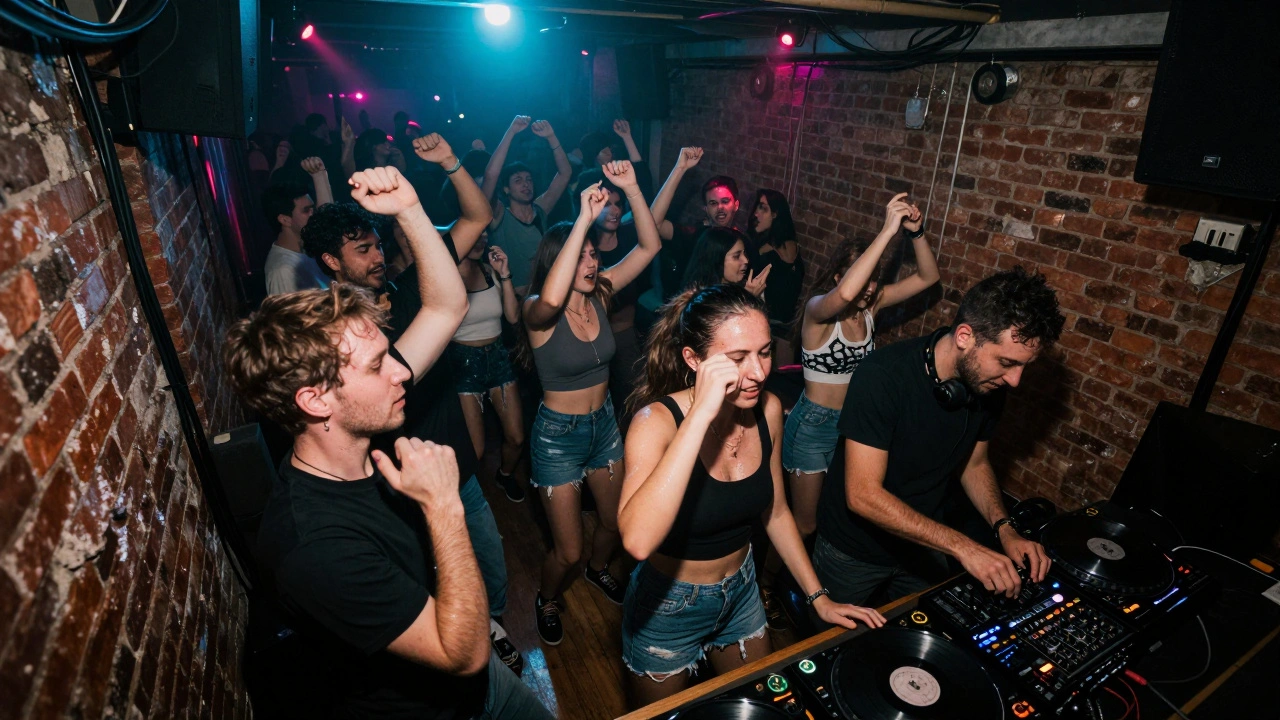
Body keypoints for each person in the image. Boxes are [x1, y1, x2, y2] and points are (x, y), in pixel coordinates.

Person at [223, 166, 552, 719]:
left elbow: (446, 308)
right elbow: (463, 652)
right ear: (315, 400)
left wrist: (409, 209)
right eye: (379, 366)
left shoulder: (358, 430)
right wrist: (444, 505)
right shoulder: (314, 544)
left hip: (485, 686)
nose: (401, 373)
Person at [301, 136, 524, 674]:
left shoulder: (406, 292)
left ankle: (493, 631)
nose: (379, 256)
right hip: (396, 489)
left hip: (455, 470)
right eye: (363, 250)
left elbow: (470, 233)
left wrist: (440, 173)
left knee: (489, 565)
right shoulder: (330, 338)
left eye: (379, 245)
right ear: (332, 262)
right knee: (435, 589)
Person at [616, 284, 886, 706]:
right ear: (694, 360)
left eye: (764, 352)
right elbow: (636, 540)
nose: (760, 372)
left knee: (760, 704)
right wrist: (702, 414)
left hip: (742, 592)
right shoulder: (656, 423)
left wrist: (820, 598)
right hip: (669, 606)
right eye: (738, 359)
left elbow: (776, 511)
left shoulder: (769, 409)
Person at [813, 266, 1065, 607]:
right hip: (854, 551)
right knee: (832, 646)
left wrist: (1005, 528)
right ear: (965, 336)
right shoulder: (884, 376)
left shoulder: (989, 384)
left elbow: (974, 464)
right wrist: (963, 547)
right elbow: (862, 495)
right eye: (1007, 362)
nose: (1015, 380)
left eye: (1023, 366)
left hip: (924, 547)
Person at [520, 162, 661, 645]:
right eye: (578, 257)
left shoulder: (600, 295)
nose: (592, 263)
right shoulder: (535, 311)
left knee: (615, 523)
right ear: (557, 262)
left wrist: (632, 188)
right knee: (567, 550)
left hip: (603, 427)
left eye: (592, 256)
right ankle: (548, 597)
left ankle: (600, 570)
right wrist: (581, 221)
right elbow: (551, 294)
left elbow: (649, 246)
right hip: (557, 438)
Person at [785, 192, 939, 542]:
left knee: (834, 514)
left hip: (854, 424)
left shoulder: (872, 307)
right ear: (840, 275)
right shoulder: (818, 311)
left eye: (874, 280)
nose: (870, 289)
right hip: (812, 425)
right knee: (804, 523)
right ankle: (768, 583)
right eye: (863, 278)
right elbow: (842, 296)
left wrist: (915, 233)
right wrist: (886, 232)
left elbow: (928, 278)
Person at [449, 233, 526, 503]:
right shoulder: (445, 275)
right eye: (474, 234)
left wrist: (504, 274)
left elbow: (513, 317)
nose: (479, 239)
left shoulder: (488, 270)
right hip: (463, 362)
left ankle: (504, 475)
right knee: (476, 450)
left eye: (484, 234)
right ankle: (470, 504)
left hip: (498, 357)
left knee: (516, 437)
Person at [482, 115, 572, 292]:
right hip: (513, 297)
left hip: (544, 292)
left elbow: (565, 173)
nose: (526, 184)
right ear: (506, 189)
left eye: (529, 179)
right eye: (518, 180)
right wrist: (511, 132)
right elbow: (491, 176)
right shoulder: (499, 214)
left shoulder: (541, 208)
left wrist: (551, 137)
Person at [649, 149, 752, 300]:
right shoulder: (694, 234)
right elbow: (653, 224)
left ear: (736, 205)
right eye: (713, 203)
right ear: (706, 209)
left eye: (725, 201)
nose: (720, 208)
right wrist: (680, 168)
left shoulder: (742, 242)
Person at [261, 157, 334, 296]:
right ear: (285, 220)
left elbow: (327, 219)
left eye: (313, 208)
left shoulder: (306, 246)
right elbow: (291, 317)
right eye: (306, 210)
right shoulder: (283, 270)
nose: (313, 214)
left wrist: (320, 175)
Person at [747, 189, 804, 363]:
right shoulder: (790, 246)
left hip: (777, 327)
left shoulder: (769, 250)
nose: (756, 213)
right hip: (774, 326)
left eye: (763, 208)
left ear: (775, 214)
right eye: (757, 208)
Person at [681, 227, 770, 297]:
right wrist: (749, 297)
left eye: (745, 254)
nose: (746, 260)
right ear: (716, 259)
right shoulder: (698, 299)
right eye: (736, 256)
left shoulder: (743, 287)